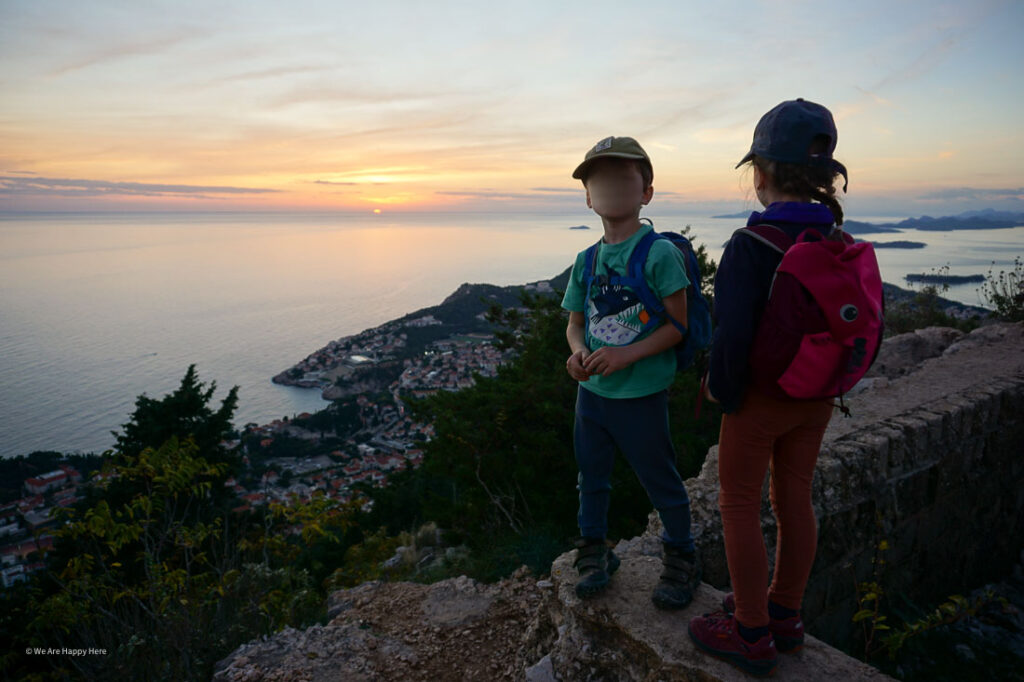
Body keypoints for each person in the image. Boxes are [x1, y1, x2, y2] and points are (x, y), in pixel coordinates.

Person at [688, 98, 850, 677]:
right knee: (794, 500)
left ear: (760, 173)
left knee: (737, 503)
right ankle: (785, 613)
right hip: (817, 395)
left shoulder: (750, 245)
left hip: (761, 401)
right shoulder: (834, 236)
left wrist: (720, 391)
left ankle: (751, 629)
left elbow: (732, 337)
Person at [561, 136, 701, 608]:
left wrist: (626, 356)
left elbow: (678, 326)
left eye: (624, 177)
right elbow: (575, 325)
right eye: (599, 180)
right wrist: (577, 353)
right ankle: (594, 549)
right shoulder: (587, 260)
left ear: (646, 192)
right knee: (591, 476)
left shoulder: (659, 254)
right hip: (593, 395)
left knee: (659, 477)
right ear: (588, 197)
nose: (611, 186)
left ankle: (682, 556)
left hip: (641, 393)